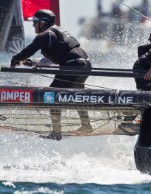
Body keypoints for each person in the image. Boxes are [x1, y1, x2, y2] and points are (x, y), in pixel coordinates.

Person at [10, 9, 93, 140]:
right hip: (83, 64)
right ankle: (86, 125)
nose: (33, 25)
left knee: (51, 95)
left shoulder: (45, 35)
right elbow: (55, 57)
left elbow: (29, 50)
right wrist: (34, 62)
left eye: (35, 22)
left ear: (43, 22)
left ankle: (56, 132)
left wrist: (15, 59)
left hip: (73, 66)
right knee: (77, 94)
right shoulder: (54, 33)